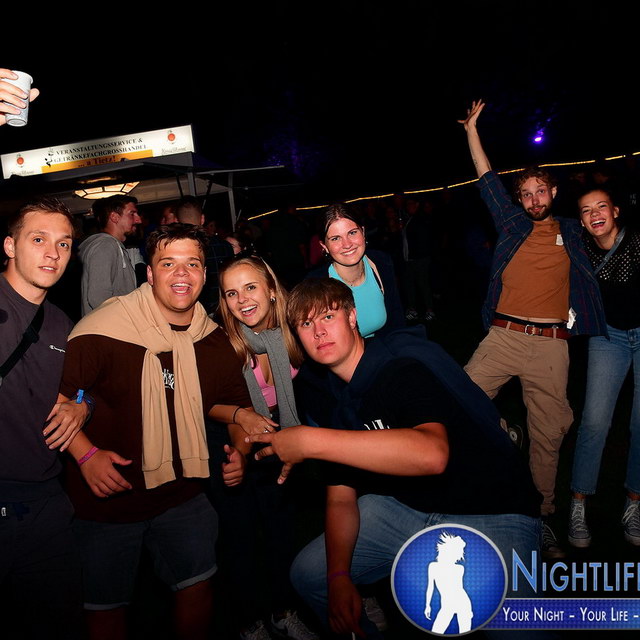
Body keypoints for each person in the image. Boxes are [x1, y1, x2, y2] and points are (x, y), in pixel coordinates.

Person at [246, 278, 540, 638]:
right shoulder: (325, 395)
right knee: (310, 574)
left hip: (492, 508)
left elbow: (432, 454)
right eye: (306, 324)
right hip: (409, 507)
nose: (318, 331)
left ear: (352, 317)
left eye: (327, 316)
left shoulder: (400, 366)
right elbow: (340, 497)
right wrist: (338, 578)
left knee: (516, 629)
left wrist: (310, 440)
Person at [60, 224, 259, 640]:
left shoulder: (211, 338)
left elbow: (232, 407)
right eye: (168, 264)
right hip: (108, 503)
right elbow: (55, 402)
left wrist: (240, 450)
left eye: (192, 264)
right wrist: (86, 455)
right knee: (105, 610)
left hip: (183, 493)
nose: (181, 274)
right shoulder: (100, 331)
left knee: (198, 587)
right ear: (149, 273)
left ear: (204, 274)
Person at [458, 100, 606, 557]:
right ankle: (504, 431)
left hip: (551, 346)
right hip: (503, 337)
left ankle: (540, 516)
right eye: (526, 194)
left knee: (549, 434)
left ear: (553, 192)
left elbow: (606, 234)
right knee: (457, 400)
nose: (534, 200)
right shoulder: (510, 223)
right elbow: (486, 178)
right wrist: (472, 130)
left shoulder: (573, 231)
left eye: (540, 191)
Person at [212, 256, 317, 640]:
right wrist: (241, 428)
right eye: (231, 293)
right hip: (234, 441)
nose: (242, 300)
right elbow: (205, 401)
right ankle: (249, 620)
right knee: (240, 538)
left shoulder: (293, 331)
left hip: (282, 438)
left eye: (250, 287)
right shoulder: (221, 342)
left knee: (281, 532)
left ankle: (283, 610)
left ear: (272, 290)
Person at [1, 197, 91, 639]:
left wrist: (82, 404)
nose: (53, 253)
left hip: (44, 504)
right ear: (10, 246)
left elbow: (81, 385)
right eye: (38, 240)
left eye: (64, 244)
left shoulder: (61, 324)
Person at [568, 188, 640, 547]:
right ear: (581, 221)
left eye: (601, 207)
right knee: (594, 421)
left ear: (615, 211)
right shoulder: (578, 249)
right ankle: (578, 504)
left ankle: (634, 503)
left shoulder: (637, 243)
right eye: (586, 210)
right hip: (607, 336)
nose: (595, 214)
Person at [309, 204, 405, 338]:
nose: (347, 244)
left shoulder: (381, 262)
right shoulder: (314, 285)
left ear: (363, 232)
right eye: (335, 238)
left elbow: (397, 321)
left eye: (352, 233)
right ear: (324, 246)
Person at [78, 195, 142, 316]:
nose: (139, 220)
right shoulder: (105, 245)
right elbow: (98, 297)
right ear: (114, 217)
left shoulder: (113, 246)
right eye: (132, 214)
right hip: (110, 326)